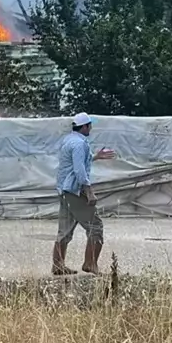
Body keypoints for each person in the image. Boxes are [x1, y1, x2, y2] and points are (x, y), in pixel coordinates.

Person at [52, 112, 116, 276]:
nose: (91, 128)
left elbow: (78, 162)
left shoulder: (69, 140)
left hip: (65, 190)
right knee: (96, 227)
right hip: (74, 191)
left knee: (65, 230)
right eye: (90, 125)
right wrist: (89, 192)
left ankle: (58, 266)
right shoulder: (80, 144)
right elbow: (79, 170)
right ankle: (90, 263)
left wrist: (96, 157)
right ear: (85, 126)